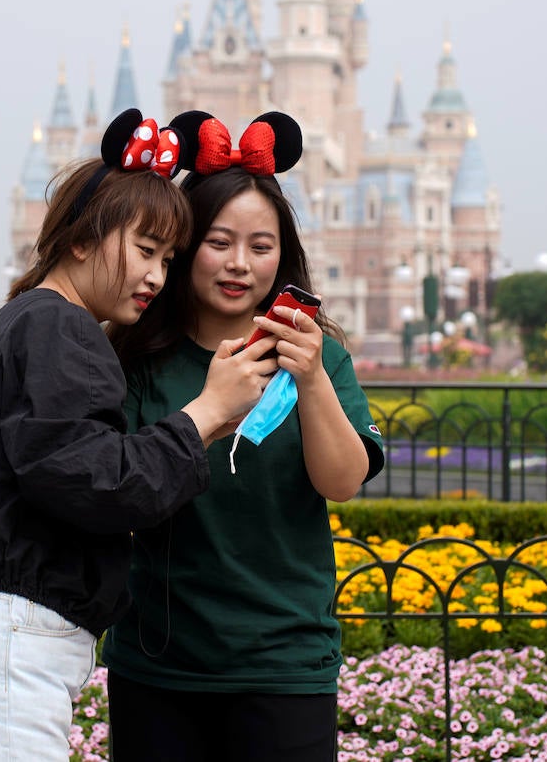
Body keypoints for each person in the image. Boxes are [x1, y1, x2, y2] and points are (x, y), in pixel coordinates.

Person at [0, 111, 273, 761]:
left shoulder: (30, 321)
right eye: (146, 249)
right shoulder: (60, 329)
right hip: (4, 646)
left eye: (168, 258)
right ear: (82, 239)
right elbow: (93, 480)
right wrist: (208, 412)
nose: (157, 276)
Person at [103, 111, 386, 762]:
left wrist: (309, 375)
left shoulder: (322, 358)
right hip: (159, 666)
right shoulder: (139, 359)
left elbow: (341, 483)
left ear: (282, 255)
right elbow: (119, 487)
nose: (239, 264)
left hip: (284, 667)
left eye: (260, 247)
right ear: (183, 246)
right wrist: (210, 406)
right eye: (218, 241)